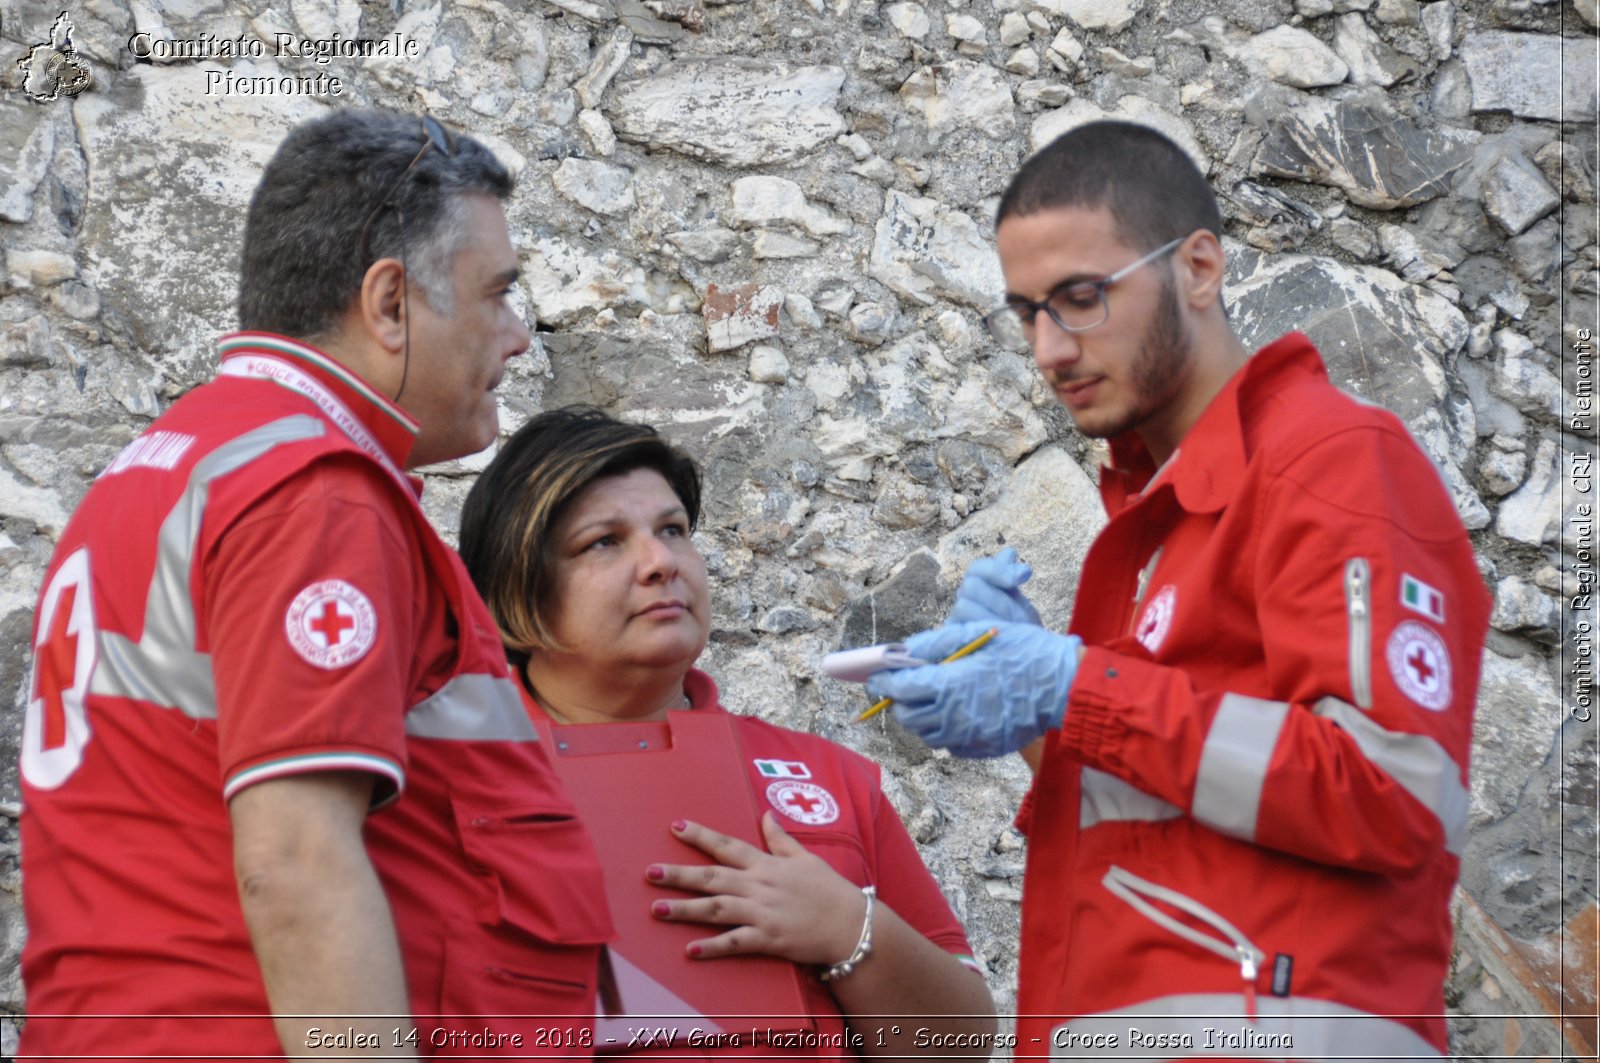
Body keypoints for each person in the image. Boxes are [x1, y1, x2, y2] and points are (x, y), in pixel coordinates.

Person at [866, 120, 1491, 1058]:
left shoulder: (1331, 461)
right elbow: (1168, 833)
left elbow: (1393, 797)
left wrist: (1070, 688)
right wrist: (1036, 719)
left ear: (1199, 268)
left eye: (1079, 298)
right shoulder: (1160, 515)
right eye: (1027, 311)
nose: (1048, 348)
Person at [18, 109, 612, 1058]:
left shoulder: (179, 462)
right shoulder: (317, 490)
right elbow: (297, 865)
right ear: (388, 305)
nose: (518, 337)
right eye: (497, 294)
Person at [458, 406, 998, 1059]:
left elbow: (961, 1045)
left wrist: (847, 930)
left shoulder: (828, 777)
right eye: (605, 540)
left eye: (674, 529)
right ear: (518, 595)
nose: (661, 560)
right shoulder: (444, 785)